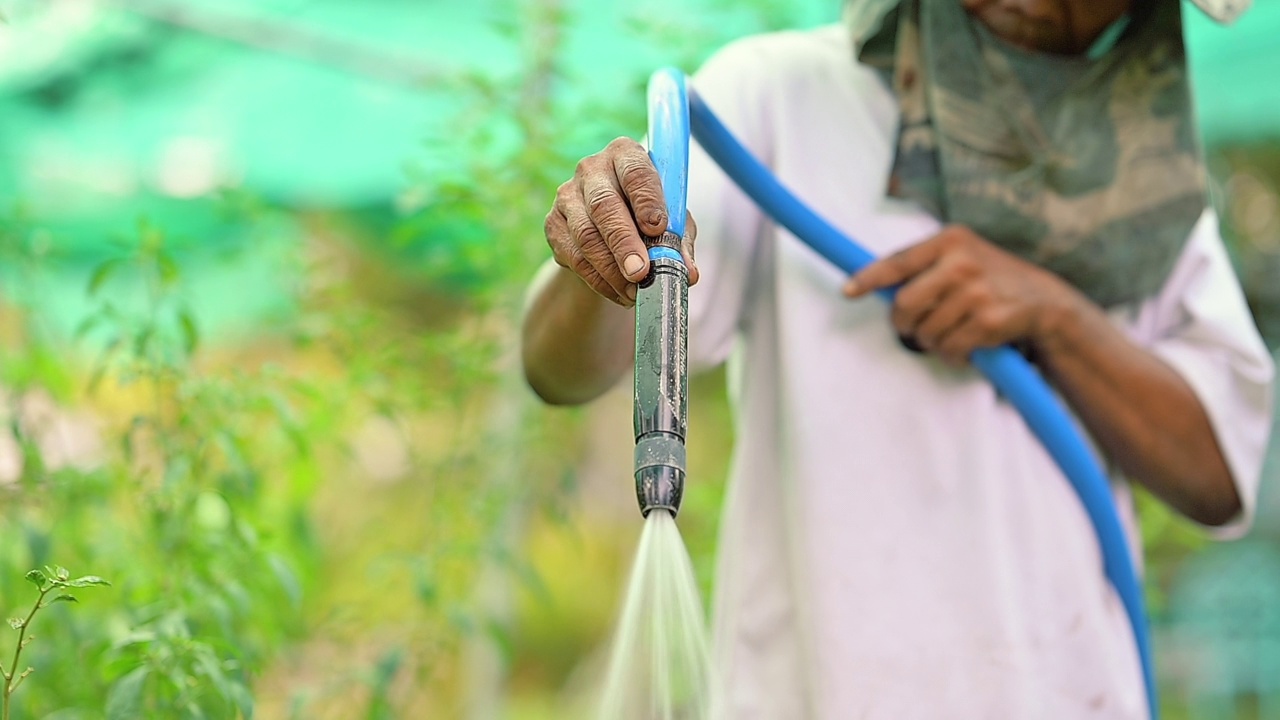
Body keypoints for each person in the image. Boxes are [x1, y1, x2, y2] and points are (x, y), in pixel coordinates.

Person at [520, 0, 1275, 717]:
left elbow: (1219, 474)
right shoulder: (783, 99)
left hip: (1069, 694)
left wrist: (1053, 315)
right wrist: (601, 260)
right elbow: (560, 368)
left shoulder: (1148, 189)